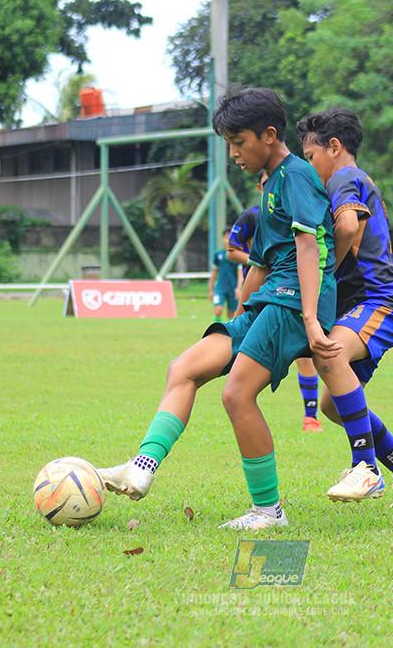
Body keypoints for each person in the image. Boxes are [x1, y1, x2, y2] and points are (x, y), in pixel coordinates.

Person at [98, 86, 338, 530]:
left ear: (268, 135)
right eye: (228, 144)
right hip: (270, 300)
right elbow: (263, 260)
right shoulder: (269, 186)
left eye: (238, 142)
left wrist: (310, 320)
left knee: (236, 394)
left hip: (295, 301)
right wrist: (241, 313)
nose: (233, 154)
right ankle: (142, 467)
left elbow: (308, 246)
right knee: (184, 367)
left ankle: (269, 511)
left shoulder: (298, 175)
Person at [297, 107, 393, 507]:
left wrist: (326, 270)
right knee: (333, 404)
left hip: (381, 301)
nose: (311, 166)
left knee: (330, 353)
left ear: (334, 147)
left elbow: (346, 226)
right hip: (362, 306)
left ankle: (366, 468)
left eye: (311, 157)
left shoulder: (345, 177)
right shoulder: (354, 180)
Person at [227, 170, 323, 432]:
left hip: (289, 293)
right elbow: (232, 251)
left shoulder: (298, 211)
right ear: (261, 187)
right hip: (259, 293)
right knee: (244, 363)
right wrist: (259, 261)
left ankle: (310, 417)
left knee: (306, 356)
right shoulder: (252, 215)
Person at [209, 227, 243, 322]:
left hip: (232, 287)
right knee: (218, 310)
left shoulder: (237, 255)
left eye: (230, 238)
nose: (228, 240)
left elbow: (240, 274)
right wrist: (211, 289)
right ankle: (216, 329)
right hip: (220, 287)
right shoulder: (218, 255)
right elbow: (214, 274)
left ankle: (228, 332)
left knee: (231, 313)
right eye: (226, 238)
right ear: (222, 239)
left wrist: (238, 289)